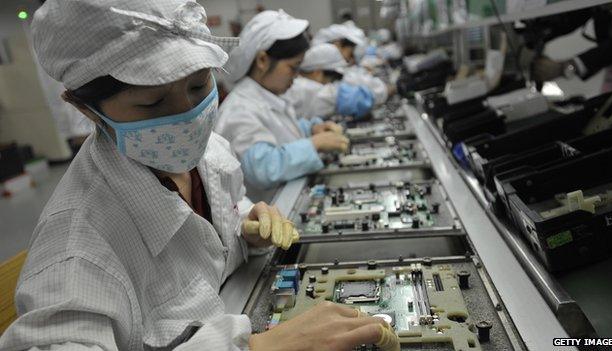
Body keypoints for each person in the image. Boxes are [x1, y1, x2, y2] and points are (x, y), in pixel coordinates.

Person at [0, 1, 397, 350]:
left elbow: (205, 242)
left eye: (198, 84)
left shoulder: (205, 152)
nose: (187, 115)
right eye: (152, 102)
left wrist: (244, 229)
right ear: (86, 109)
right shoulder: (77, 249)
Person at [215, 10, 349, 203]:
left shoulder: (267, 95)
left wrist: (311, 129)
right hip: (266, 211)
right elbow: (263, 167)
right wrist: (315, 144)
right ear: (262, 60)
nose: (296, 76)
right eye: (293, 67)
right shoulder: (240, 109)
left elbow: (279, 132)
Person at [282, 43, 374, 120]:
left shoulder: (300, 86)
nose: (330, 86)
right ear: (317, 73)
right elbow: (341, 98)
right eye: (331, 81)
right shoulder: (304, 88)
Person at [312, 24, 394, 105]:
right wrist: (384, 90)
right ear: (338, 44)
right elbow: (348, 84)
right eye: (351, 53)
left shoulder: (332, 64)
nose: (351, 59)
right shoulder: (323, 65)